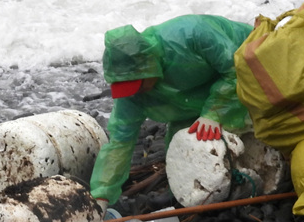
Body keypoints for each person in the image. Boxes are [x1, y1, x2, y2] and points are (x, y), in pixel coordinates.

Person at [87, 14, 252, 208]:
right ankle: (192, 193)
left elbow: (237, 69)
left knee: (245, 128)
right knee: (181, 143)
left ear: (149, 66)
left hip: (251, 68)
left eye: (137, 84)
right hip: (196, 96)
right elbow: (119, 144)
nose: (136, 92)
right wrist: (101, 196)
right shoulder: (133, 94)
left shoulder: (192, 33)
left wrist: (214, 113)